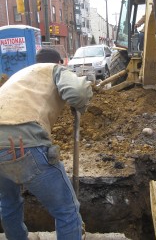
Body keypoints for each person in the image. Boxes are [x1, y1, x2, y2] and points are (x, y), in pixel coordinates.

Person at [0, 48, 93, 240]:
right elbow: (77, 93)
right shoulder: (55, 69)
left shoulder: (21, 75)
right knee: (67, 209)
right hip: (21, 141)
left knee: (9, 202)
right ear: (59, 61)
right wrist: (80, 105)